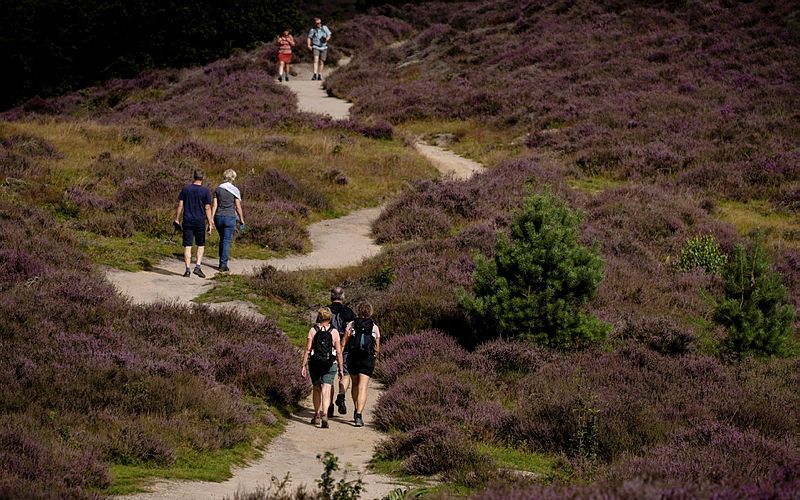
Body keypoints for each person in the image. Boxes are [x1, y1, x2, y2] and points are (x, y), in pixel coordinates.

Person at [301, 307, 344, 428]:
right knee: (327, 388)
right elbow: (339, 352)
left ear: (319, 317)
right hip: (330, 364)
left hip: (315, 363)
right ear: (330, 318)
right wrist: (341, 368)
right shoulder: (334, 332)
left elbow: (308, 349)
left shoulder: (313, 330)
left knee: (317, 388)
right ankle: (325, 413)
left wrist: (303, 365)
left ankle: (316, 415)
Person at [342, 301, 381, 427]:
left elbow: (344, 342)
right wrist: (376, 358)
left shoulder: (351, 325)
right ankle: (359, 414)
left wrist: (340, 356)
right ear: (370, 312)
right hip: (367, 359)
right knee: (363, 387)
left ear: (358, 311)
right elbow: (377, 348)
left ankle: (355, 408)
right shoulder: (374, 327)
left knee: (355, 384)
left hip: (353, 357)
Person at [175, 169, 213, 278]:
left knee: (188, 245)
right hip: (200, 221)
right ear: (202, 178)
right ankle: (197, 267)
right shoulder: (205, 191)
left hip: (187, 220)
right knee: (200, 244)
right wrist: (210, 223)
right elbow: (207, 208)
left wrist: (177, 219)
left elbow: (180, 205)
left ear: (194, 177)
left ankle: (187, 269)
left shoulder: (186, 189)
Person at [326, 287, 356, 418]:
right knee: (345, 372)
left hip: (329, 346)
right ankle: (342, 395)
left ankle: (330, 406)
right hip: (346, 347)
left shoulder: (325, 310)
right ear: (342, 297)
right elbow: (352, 331)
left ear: (331, 297)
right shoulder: (348, 312)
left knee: (330, 376)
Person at [211, 169, 245, 273]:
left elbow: (215, 205)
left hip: (218, 217)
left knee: (222, 239)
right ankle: (223, 265)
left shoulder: (218, 189)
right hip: (230, 217)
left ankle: (221, 261)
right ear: (233, 178)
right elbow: (238, 207)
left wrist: (211, 218)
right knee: (226, 241)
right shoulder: (234, 190)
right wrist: (242, 219)